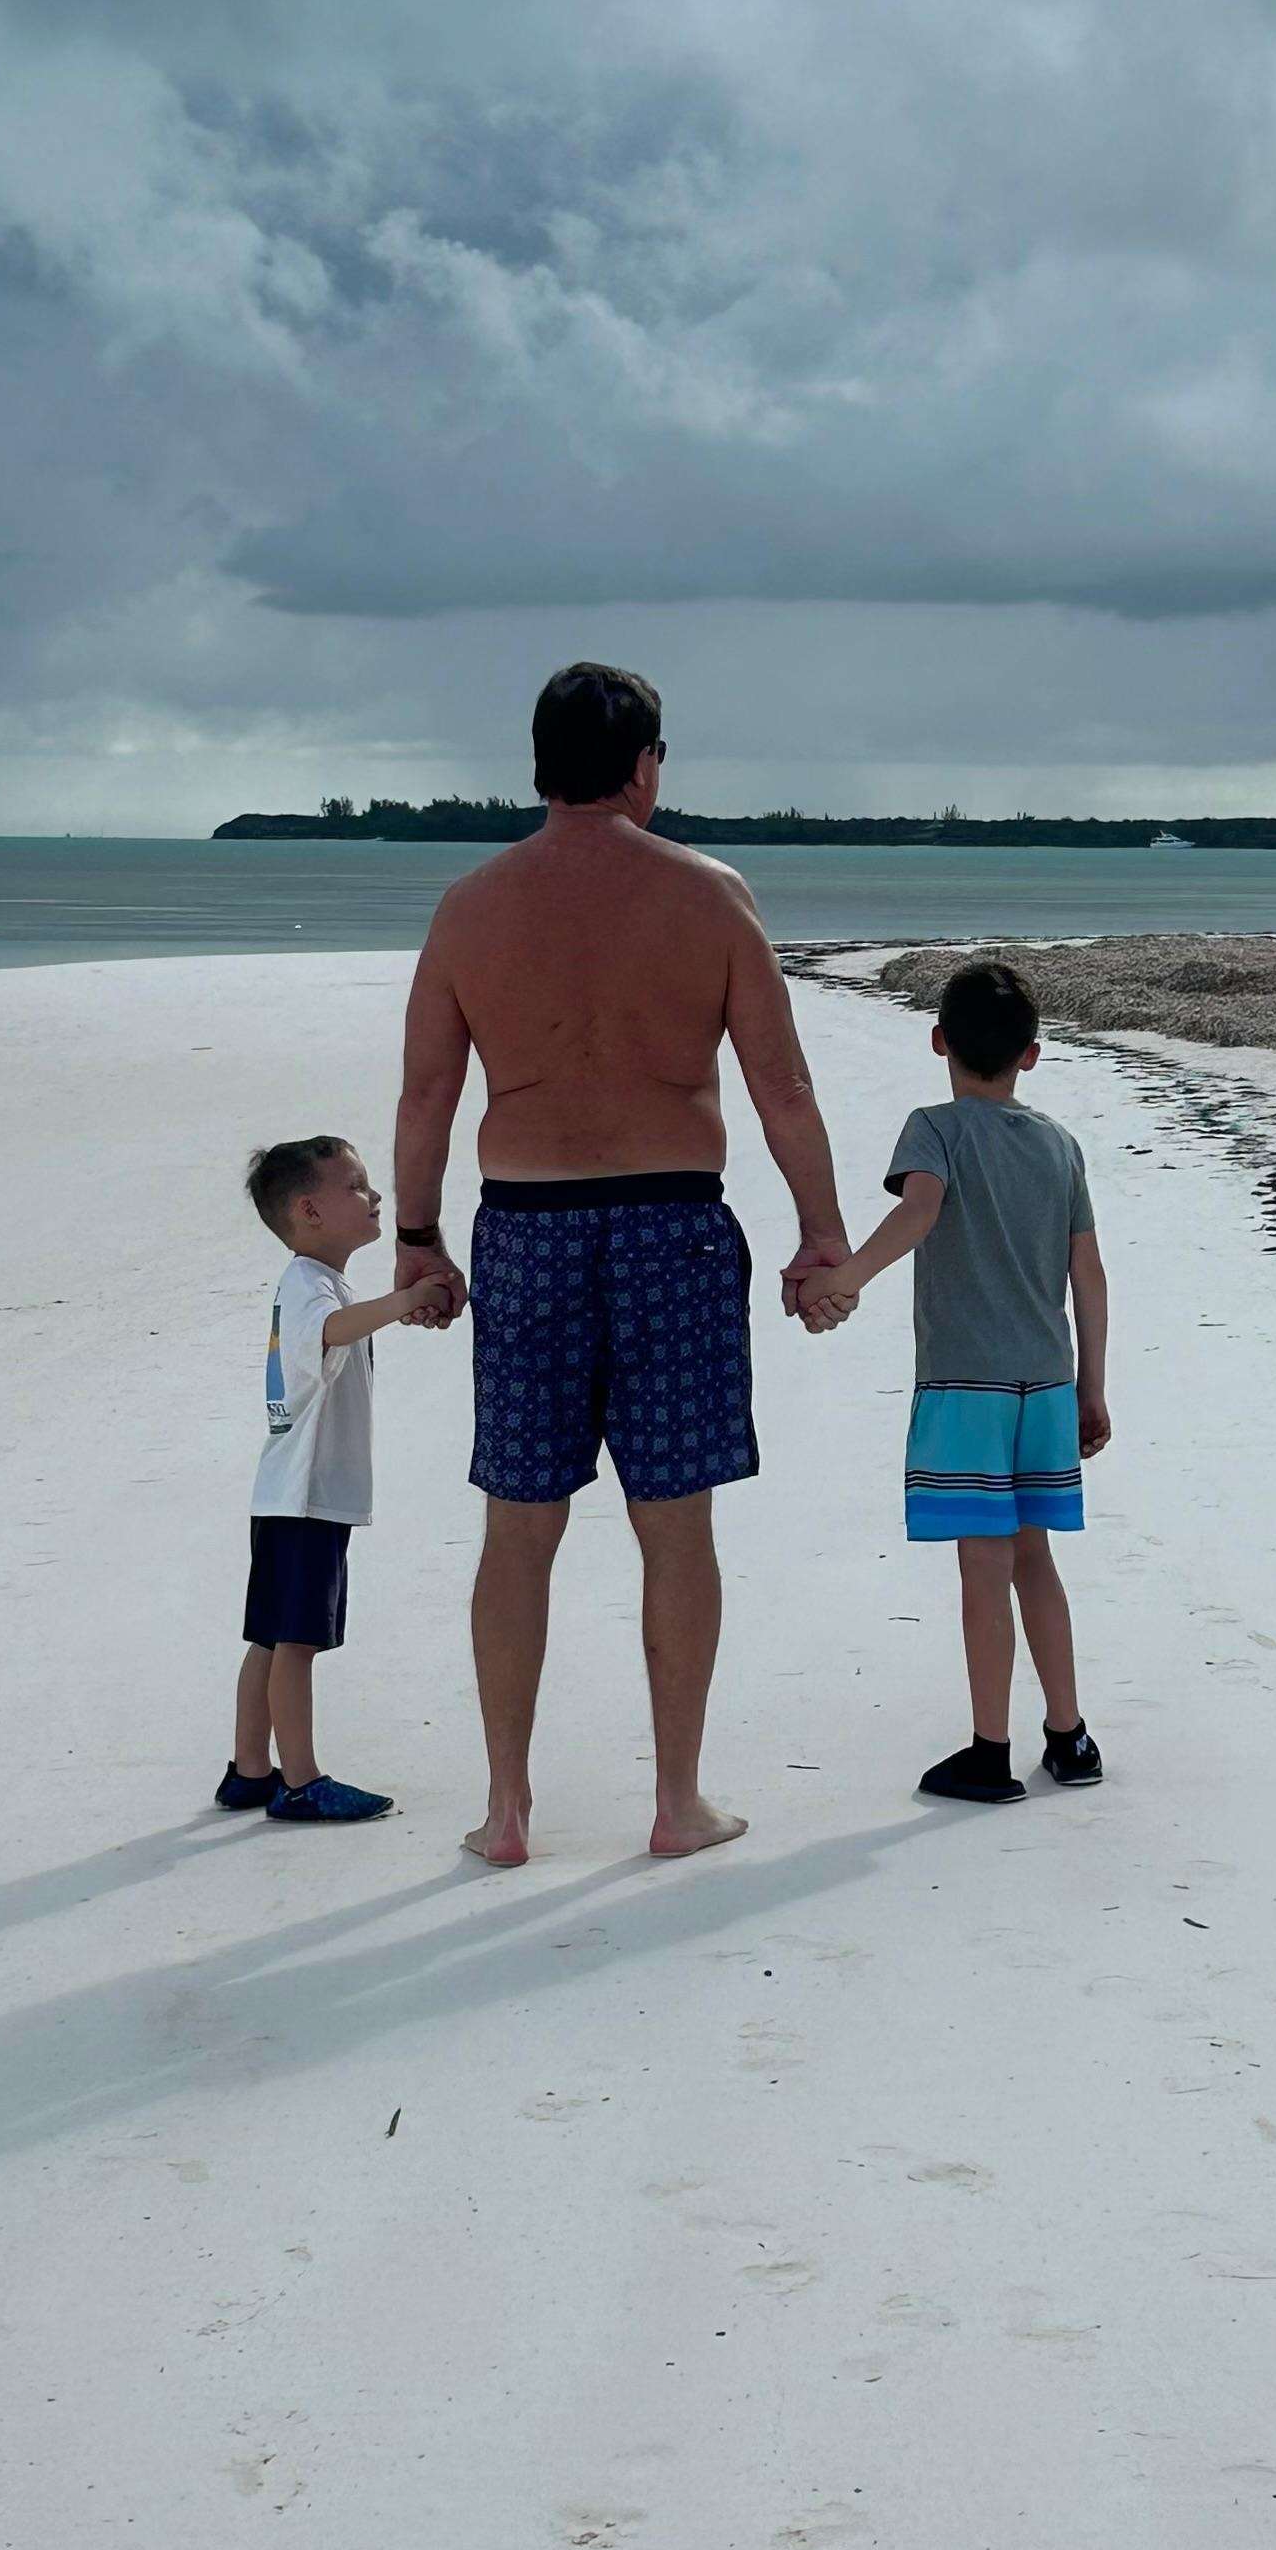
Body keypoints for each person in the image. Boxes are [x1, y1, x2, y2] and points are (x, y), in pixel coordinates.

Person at [391, 661, 854, 1868]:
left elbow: (429, 1093)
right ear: (647, 764)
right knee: (675, 1525)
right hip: (670, 1226)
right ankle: (677, 1801)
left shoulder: (470, 906)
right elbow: (781, 1086)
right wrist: (821, 1235)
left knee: (519, 1525)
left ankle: (505, 1811)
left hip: (529, 1228)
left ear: (538, 765)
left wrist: (418, 1238)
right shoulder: (709, 895)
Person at [797, 958, 1111, 1806]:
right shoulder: (1059, 1144)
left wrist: (847, 1277)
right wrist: (1093, 1385)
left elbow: (919, 1209)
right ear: (1032, 1054)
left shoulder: (933, 1128)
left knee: (983, 1565)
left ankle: (989, 1750)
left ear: (939, 1042)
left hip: (966, 1383)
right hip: (1045, 1383)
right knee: (1034, 1558)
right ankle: (1069, 1736)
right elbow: (1089, 1273)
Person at [218, 1134, 446, 1826]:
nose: (375, 1197)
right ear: (310, 1212)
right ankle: (300, 1780)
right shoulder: (311, 1288)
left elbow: (339, 1326)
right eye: (357, 1186)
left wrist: (394, 1305)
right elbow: (334, 1331)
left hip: (287, 1493)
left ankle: (250, 1771)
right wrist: (406, 1299)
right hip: (305, 1498)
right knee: (296, 1642)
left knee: (269, 1635)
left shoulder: (317, 1284)